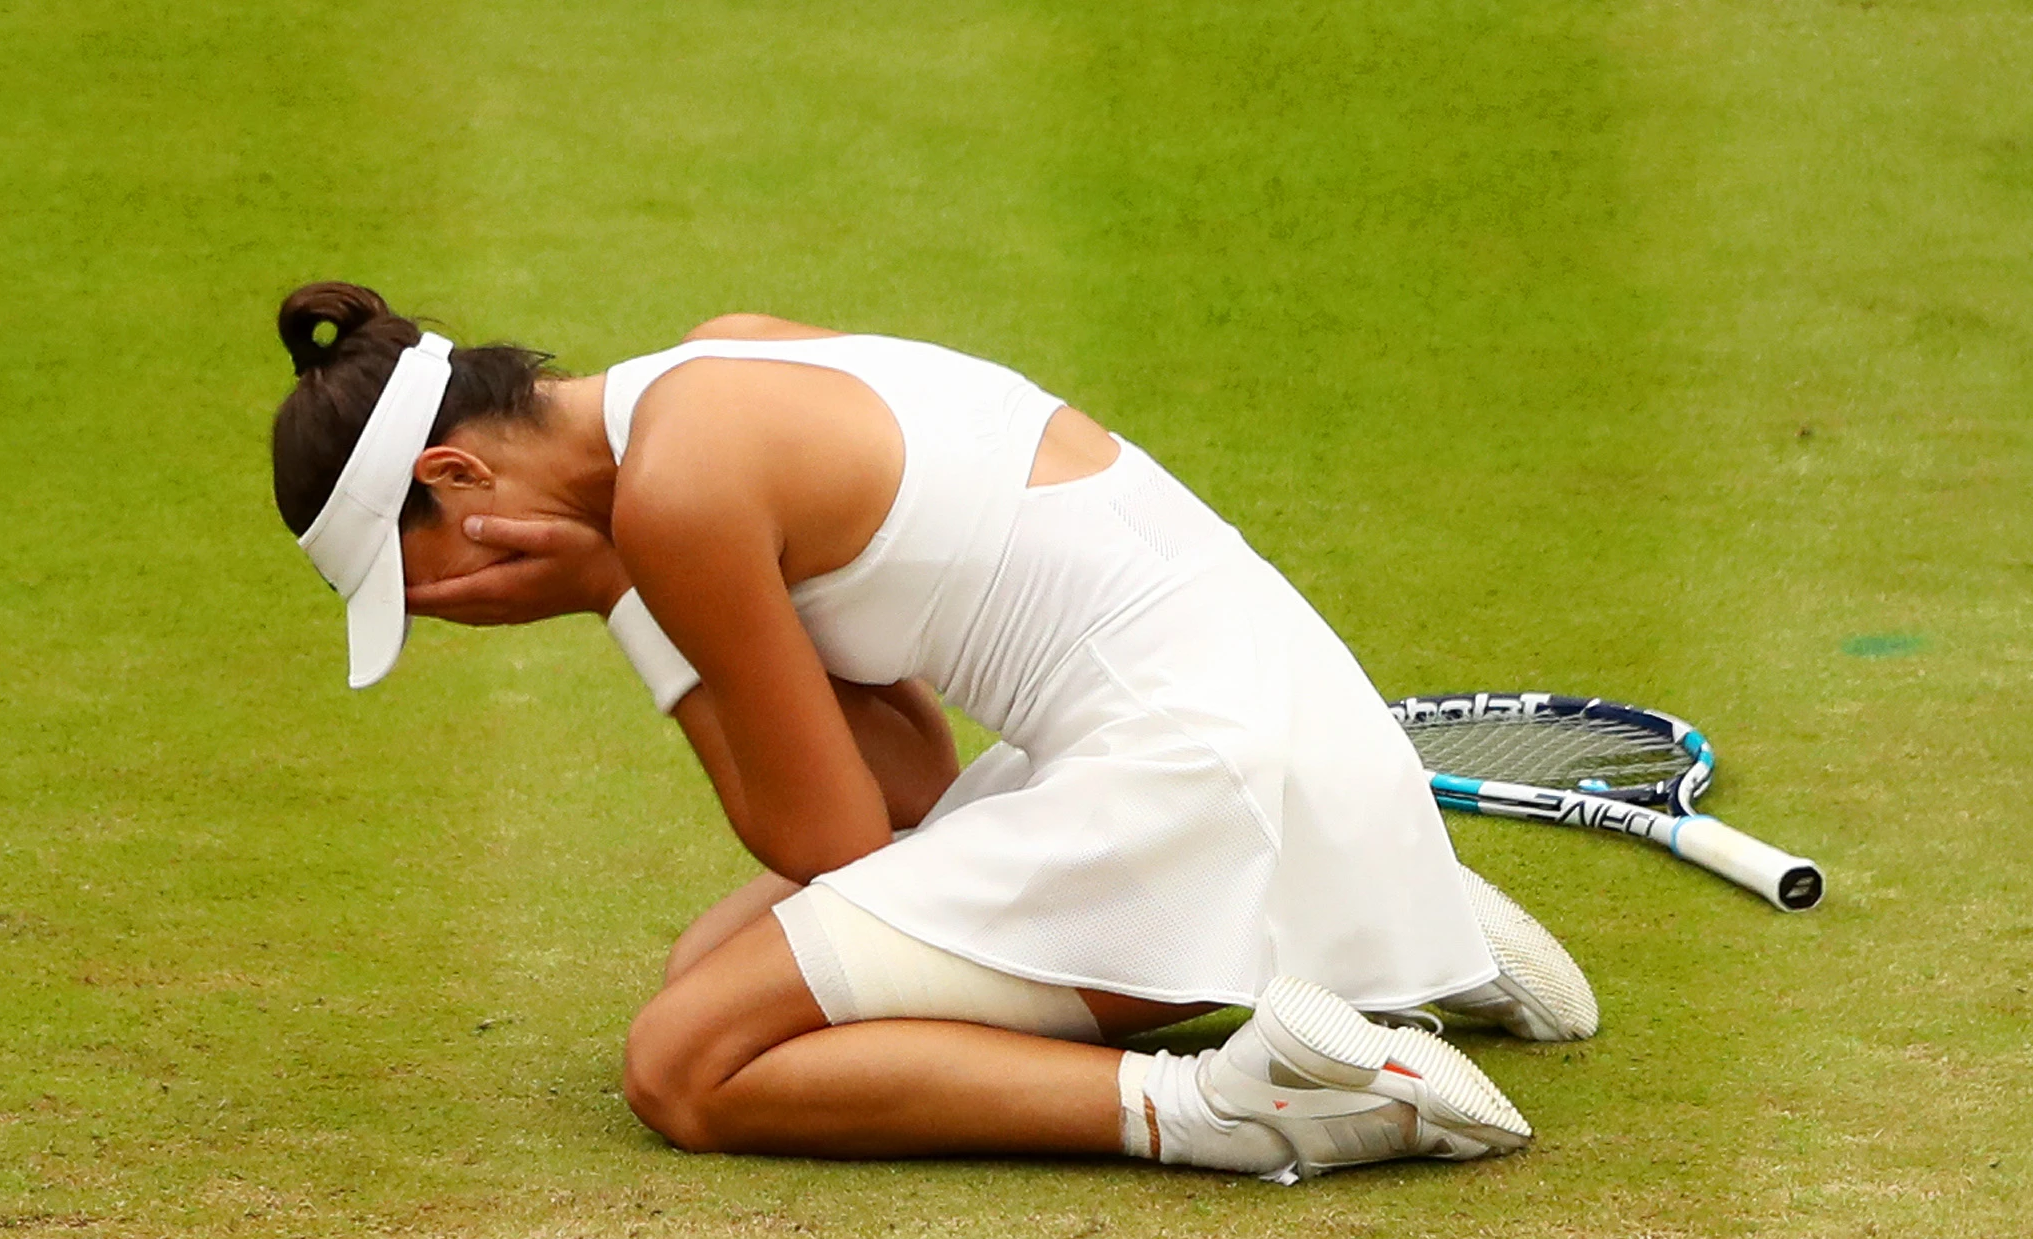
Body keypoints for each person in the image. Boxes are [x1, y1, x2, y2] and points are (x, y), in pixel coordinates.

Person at [266, 281, 1596, 1182]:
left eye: (416, 583)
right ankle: (1382, 899)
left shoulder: (676, 498)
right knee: (709, 962)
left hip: (1202, 779)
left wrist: (622, 592)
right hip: (1265, 732)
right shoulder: (728, 357)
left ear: (455, 479)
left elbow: (830, 837)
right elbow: (908, 780)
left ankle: (1233, 1109)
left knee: (685, 1063)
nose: (447, 616)